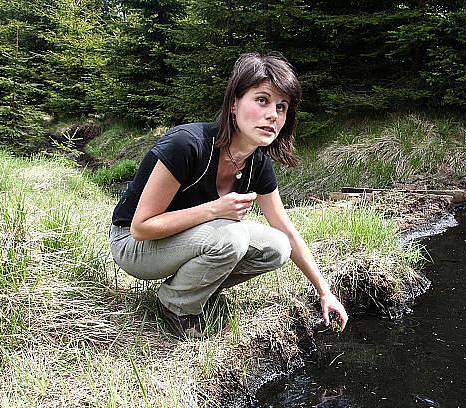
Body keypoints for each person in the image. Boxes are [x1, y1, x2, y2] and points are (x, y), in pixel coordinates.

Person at [109, 52, 348, 339]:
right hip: (134, 245)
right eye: (262, 100)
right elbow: (141, 227)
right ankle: (176, 306)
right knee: (231, 237)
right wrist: (214, 210)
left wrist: (325, 291)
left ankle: (189, 289)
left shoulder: (257, 162)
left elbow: (286, 229)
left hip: (193, 236)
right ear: (234, 104)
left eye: (282, 107)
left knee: (278, 247)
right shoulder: (187, 145)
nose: (273, 114)